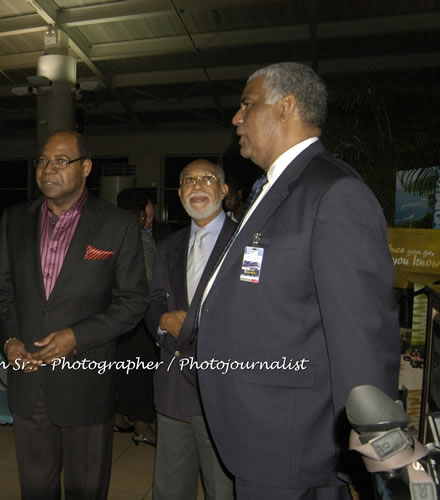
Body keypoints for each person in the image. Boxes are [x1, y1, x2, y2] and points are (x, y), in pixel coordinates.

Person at [197, 62, 399, 498]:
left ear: (286, 107)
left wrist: (371, 452)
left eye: (247, 105)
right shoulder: (273, 186)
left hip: (291, 444)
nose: (236, 118)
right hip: (257, 430)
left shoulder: (333, 192)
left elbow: (362, 334)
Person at [0, 129, 148, 500]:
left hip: (86, 382)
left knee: (86, 487)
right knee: (36, 486)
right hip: (29, 379)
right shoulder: (15, 219)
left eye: (61, 161)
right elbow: (0, 292)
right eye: (42, 161)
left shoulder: (117, 224)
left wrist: (76, 336)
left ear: (86, 167)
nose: (48, 169)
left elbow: (133, 300)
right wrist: (10, 340)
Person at [145, 159, 235, 500]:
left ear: (224, 191)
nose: (197, 185)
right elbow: (153, 302)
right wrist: (161, 323)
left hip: (223, 389)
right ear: (180, 192)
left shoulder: (246, 242)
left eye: (207, 179)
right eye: (188, 180)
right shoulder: (168, 245)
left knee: (224, 490)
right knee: (170, 489)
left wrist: (199, 324)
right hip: (173, 388)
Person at [114, 188, 158, 446]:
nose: (149, 221)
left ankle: (118, 417)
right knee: (142, 371)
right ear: (140, 215)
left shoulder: (108, 235)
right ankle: (142, 425)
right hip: (140, 317)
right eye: (148, 216)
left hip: (113, 316)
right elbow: (152, 282)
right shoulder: (141, 239)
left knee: (118, 370)